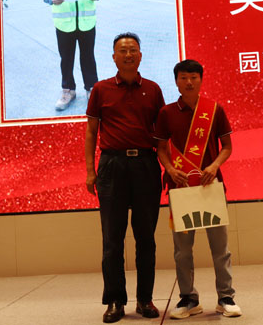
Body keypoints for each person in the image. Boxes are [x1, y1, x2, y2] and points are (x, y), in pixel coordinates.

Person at [85, 33, 165, 323]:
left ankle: (145, 299)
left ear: (140, 55)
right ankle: (115, 301)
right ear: (114, 57)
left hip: (145, 165)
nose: (128, 55)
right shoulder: (100, 89)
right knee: (112, 240)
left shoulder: (153, 90)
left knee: (146, 239)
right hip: (112, 166)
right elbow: (91, 132)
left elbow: (161, 136)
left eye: (133, 50)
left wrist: (169, 167)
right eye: (123, 50)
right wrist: (90, 170)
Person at [155, 59, 242, 319]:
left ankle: (226, 297)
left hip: (210, 187)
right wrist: (170, 169)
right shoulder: (166, 113)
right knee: (182, 250)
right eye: (183, 77)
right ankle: (188, 299)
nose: (189, 82)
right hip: (181, 188)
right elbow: (161, 149)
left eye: (194, 77)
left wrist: (214, 166)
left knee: (220, 248)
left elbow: (227, 147)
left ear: (201, 80)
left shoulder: (214, 110)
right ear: (176, 81)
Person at [42, 0, 103, 111]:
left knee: (88, 57)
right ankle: (68, 91)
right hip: (64, 24)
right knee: (66, 59)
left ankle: (92, 89)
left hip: (86, 22)